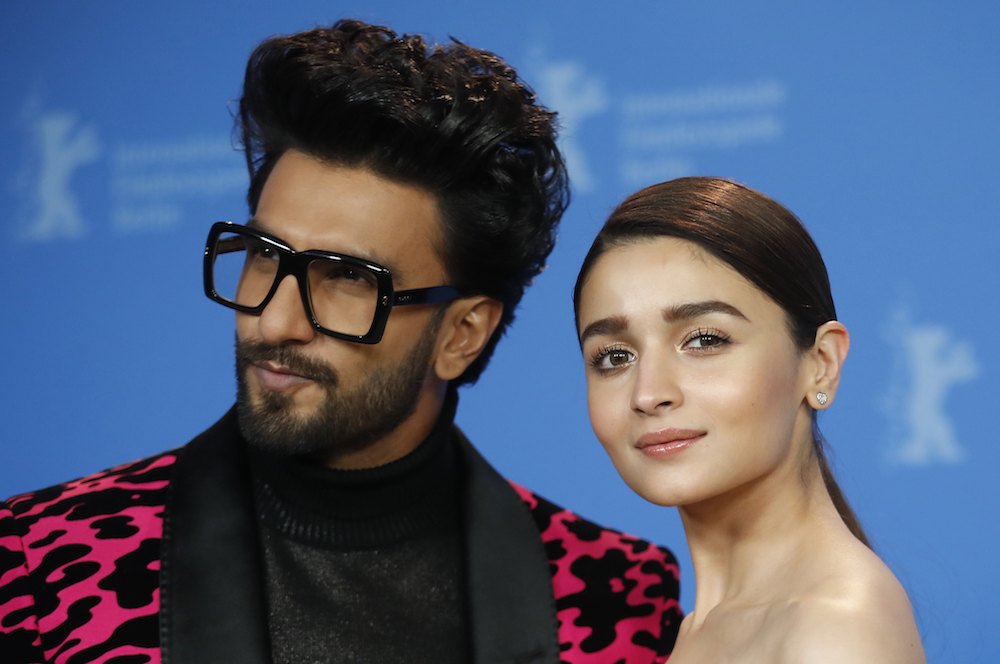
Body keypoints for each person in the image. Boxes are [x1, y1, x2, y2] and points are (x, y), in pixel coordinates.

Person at [0, 20, 682, 664]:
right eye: (265, 256)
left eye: (349, 279)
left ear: (461, 334)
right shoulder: (38, 566)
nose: (275, 324)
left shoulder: (614, 600)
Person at [573, 177, 926, 663]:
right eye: (614, 356)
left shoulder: (831, 630)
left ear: (821, 363)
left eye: (705, 340)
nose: (648, 394)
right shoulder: (704, 628)